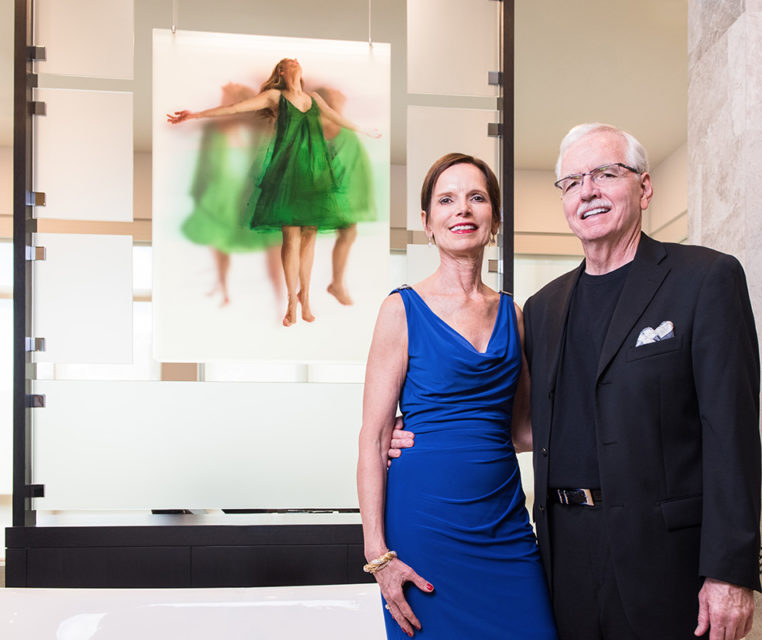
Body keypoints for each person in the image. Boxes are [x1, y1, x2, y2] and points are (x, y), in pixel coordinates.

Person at [391, 123, 762, 640]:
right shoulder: (542, 309)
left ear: (644, 188)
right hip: (562, 564)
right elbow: (522, 423)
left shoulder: (706, 280)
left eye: (606, 174)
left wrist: (729, 572)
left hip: (667, 566)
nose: (588, 190)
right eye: (572, 181)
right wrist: (420, 435)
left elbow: (733, 436)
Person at [357, 153, 557, 639]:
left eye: (476, 198)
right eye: (446, 200)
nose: (461, 210)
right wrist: (378, 556)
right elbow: (373, 437)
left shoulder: (516, 314)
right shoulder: (400, 309)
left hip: (505, 525)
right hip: (424, 530)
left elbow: (524, 431)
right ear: (427, 223)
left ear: (494, 219)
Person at [168, 58, 378, 326]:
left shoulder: (313, 99)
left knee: (309, 236)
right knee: (291, 238)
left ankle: (306, 297)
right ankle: (292, 300)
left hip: (314, 174)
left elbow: (336, 118)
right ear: (282, 71)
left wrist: (365, 130)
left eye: (297, 61)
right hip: (287, 174)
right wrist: (195, 115)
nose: (296, 62)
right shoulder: (274, 97)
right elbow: (236, 108)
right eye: (290, 62)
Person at [179, 82, 283, 306]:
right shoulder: (215, 132)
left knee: (272, 242)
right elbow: (204, 165)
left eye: (228, 101)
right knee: (218, 238)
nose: (223, 106)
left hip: (251, 193)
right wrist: (197, 192)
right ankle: (223, 285)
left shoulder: (261, 130)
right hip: (221, 192)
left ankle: (280, 296)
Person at [315, 87, 377, 306]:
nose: (340, 98)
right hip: (331, 189)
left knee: (348, 232)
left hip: (343, 188)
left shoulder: (336, 123)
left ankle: (336, 284)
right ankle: (333, 285)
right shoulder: (326, 123)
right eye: (334, 97)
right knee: (337, 232)